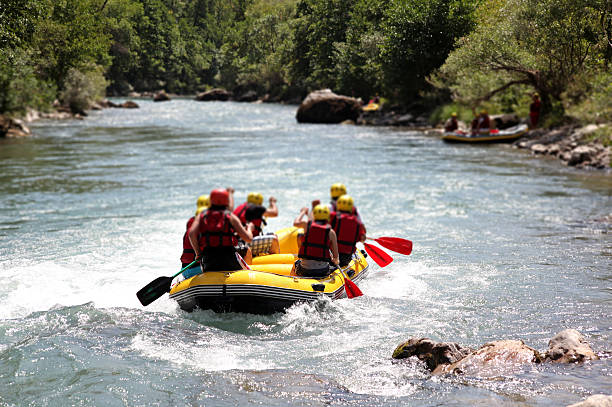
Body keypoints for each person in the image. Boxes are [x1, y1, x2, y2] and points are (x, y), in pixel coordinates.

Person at [189, 188, 253, 272]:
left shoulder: (202, 215)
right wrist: (250, 229)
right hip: (229, 261)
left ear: (211, 200)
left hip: (209, 262)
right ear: (226, 201)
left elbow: (191, 233)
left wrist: (198, 253)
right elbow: (248, 238)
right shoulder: (230, 216)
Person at [293, 204, 339, 277]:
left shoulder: (306, 225)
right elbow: (336, 258)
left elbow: (295, 223)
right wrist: (334, 259)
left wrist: (303, 212)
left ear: (314, 215)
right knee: (334, 267)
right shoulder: (331, 232)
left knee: (296, 263)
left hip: (304, 270)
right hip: (322, 271)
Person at [233, 192, 280, 257]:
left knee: (273, 235)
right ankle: (276, 262)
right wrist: (273, 202)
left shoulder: (239, 208)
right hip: (244, 243)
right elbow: (275, 213)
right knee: (274, 239)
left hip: (236, 242)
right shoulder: (256, 208)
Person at [330, 195, 366, 267]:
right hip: (345, 258)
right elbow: (362, 239)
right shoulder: (357, 222)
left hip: (330, 255)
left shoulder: (333, 216)